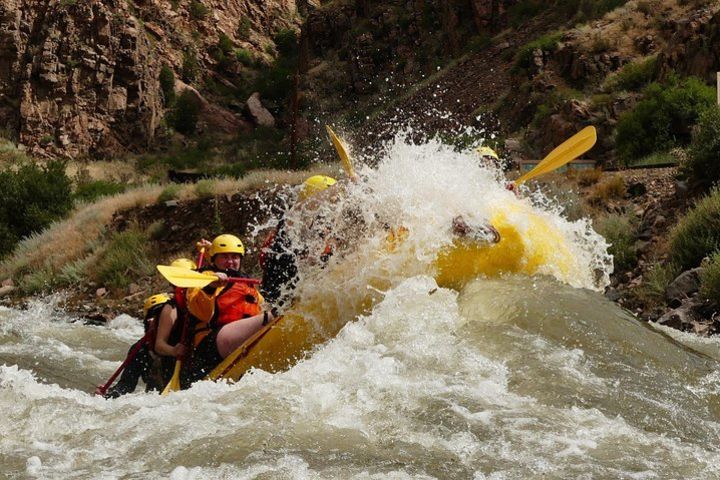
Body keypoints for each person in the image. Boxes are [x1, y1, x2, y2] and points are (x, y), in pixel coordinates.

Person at [185, 234, 272, 382]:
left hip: (240, 341)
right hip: (211, 346)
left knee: (270, 314)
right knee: (273, 316)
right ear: (214, 260)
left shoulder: (246, 283)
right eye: (225, 257)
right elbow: (201, 312)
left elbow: (260, 307)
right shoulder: (204, 278)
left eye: (235, 257)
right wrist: (211, 286)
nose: (231, 262)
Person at [260, 175, 337, 309]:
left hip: (303, 297)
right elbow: (299, 210)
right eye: (330, 199)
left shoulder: (321, 226)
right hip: (278, 300)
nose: (333, 204)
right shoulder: (291, 223)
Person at [100, 293, 176, 398]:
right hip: (156, 400)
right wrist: (106, 396)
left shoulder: (182, 342)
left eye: (163, 315)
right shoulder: (140, 350)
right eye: (154, 316)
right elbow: (126, 386)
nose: (159, 320)